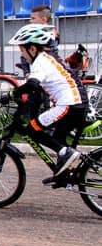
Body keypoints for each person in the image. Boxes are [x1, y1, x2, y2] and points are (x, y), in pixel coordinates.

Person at [8, 24, 87, 186]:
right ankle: (63, 175)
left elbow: (32, 84)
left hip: (69, 104)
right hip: (77, 103)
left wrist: (12, 94)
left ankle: (66, 153)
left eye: (22, 50)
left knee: (32, 130)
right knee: (57, 138)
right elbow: (38, 91)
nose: (22, 55)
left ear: (32, 49)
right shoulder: (49, 57)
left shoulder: (40, 62)